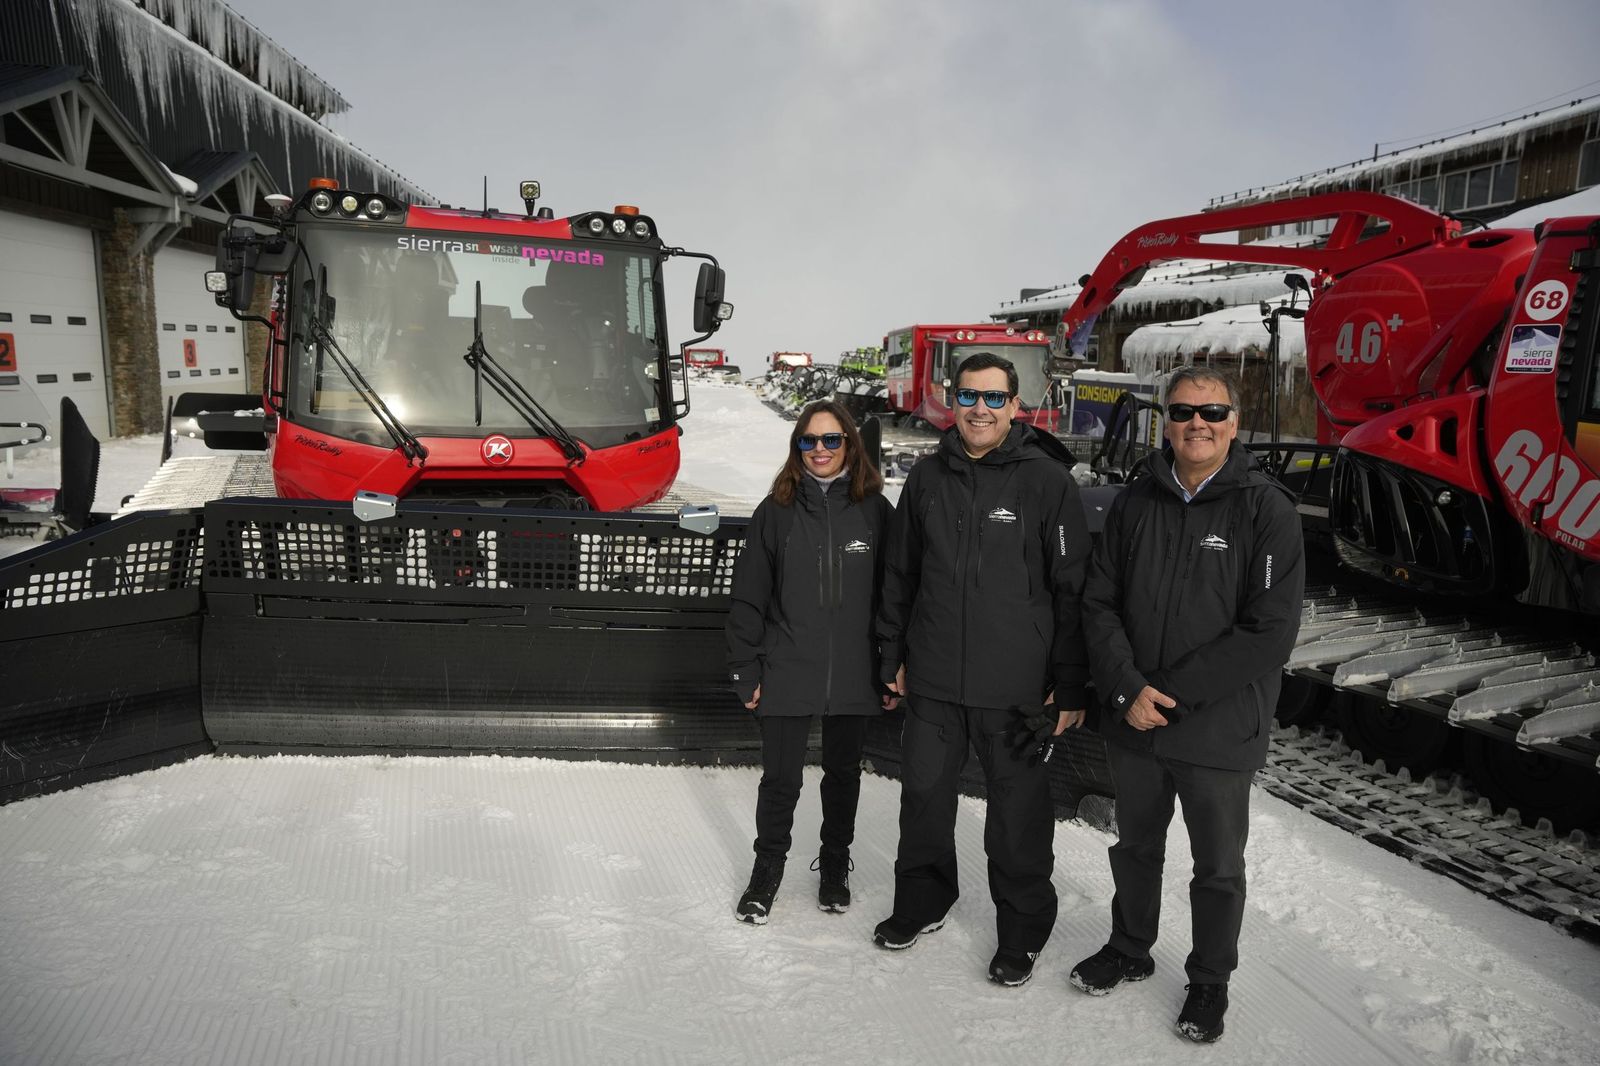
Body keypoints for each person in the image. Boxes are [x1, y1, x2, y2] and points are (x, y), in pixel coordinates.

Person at [1068, 365, 1305, 1044]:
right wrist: (1124, 688)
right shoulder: (1136, 501)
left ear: (1236, 420)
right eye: (1182, 411)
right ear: (1164, 421)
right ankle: (1129, 946)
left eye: (1212, 411)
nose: (1196, 422)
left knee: (1218, 867)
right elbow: (1099, 602)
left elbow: (1270, 633)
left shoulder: (1266, 510)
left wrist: (1165, 696)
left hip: (1217, 729)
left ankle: (1209, 981)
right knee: (1135, 846)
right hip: (1134, 719)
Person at [873, 351, 1091, 987]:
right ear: (951, 400)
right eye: (969, 396)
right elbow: (900, 577)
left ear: (1016, 407)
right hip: (935, 679)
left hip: (1016, 687)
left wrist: (1070, 680)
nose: (980, 410)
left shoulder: (1046, 482)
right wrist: (893, 655)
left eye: (995, 399)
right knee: (924, 803)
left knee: (1017, 819)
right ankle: (923, 901)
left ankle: (1022, 931)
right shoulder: (927, 479)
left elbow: (1072, 588)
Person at [725, 400, 896, 924]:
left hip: (854, 672)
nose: (819, 450)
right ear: (796, 447)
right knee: (780, 780)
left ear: (850, 444)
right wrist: (745, 669)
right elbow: (748, 597)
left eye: (830, 440)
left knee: (843, 774)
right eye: (808, 441)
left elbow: (896, 597)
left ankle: (835, 867)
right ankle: (767, 871)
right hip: (787, 667)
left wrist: (891, 665)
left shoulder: (876, 511)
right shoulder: (775, 511)